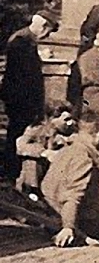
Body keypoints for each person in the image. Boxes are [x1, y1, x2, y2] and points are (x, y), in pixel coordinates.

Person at [41, 119, 99, 247]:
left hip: (52, 212)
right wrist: (68, 226)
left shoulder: (65, 150)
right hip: (77, 221)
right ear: (98, 135)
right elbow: (73, 196)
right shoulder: (84, 158)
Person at [1, 10, 59, 181]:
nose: (47, 36)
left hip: (19, 96)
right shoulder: (22, 41)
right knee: (18, 132)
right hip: (20, 97)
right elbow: (25, 75)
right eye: (48, 32)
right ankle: (12, 171)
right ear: (43, 27)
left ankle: (14, 169)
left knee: (18, 131)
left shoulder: (25, 40)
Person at [16, 103, 76, 195]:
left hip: (52, 176)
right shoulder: (37, 129)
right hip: (35, 176)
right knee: (32, 162)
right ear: (53, 119)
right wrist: (44, 152)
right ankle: (32, 191)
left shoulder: (65, 136)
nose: (70, 123)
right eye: (66, 120)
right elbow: (20, 145)